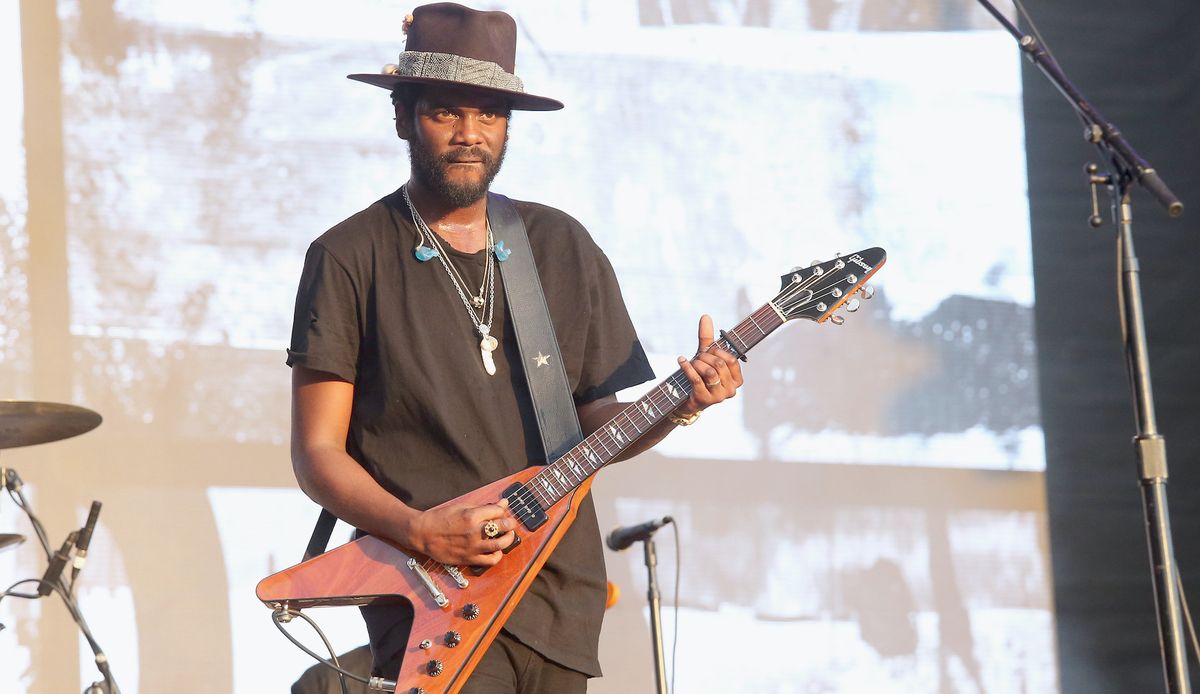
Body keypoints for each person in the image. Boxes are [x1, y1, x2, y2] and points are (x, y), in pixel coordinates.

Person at [285, 3, 744, 691]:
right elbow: (318, 453)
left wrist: (683, 405)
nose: (470, 134)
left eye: (490, 115)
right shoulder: (349, 255)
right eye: (446, 112)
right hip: (427, 599)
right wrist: (420, 530)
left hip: (559, 595)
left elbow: (596, 430)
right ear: (403, 117)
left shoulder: (561, 247)